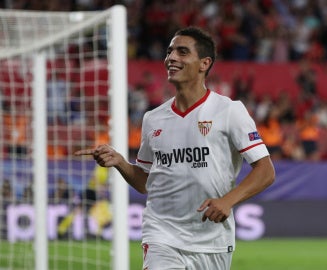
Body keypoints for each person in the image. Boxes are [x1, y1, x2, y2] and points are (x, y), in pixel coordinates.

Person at [75, 26, 275, 270]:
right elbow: (146, 183)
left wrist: (227, 201)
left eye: (182, 52)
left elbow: (265, 171)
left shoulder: (229, 111)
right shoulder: (153, 118)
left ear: (204, 64)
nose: (171, 58)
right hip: (161, 234)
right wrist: (120, 162)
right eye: (169, 52)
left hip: (212, 240)